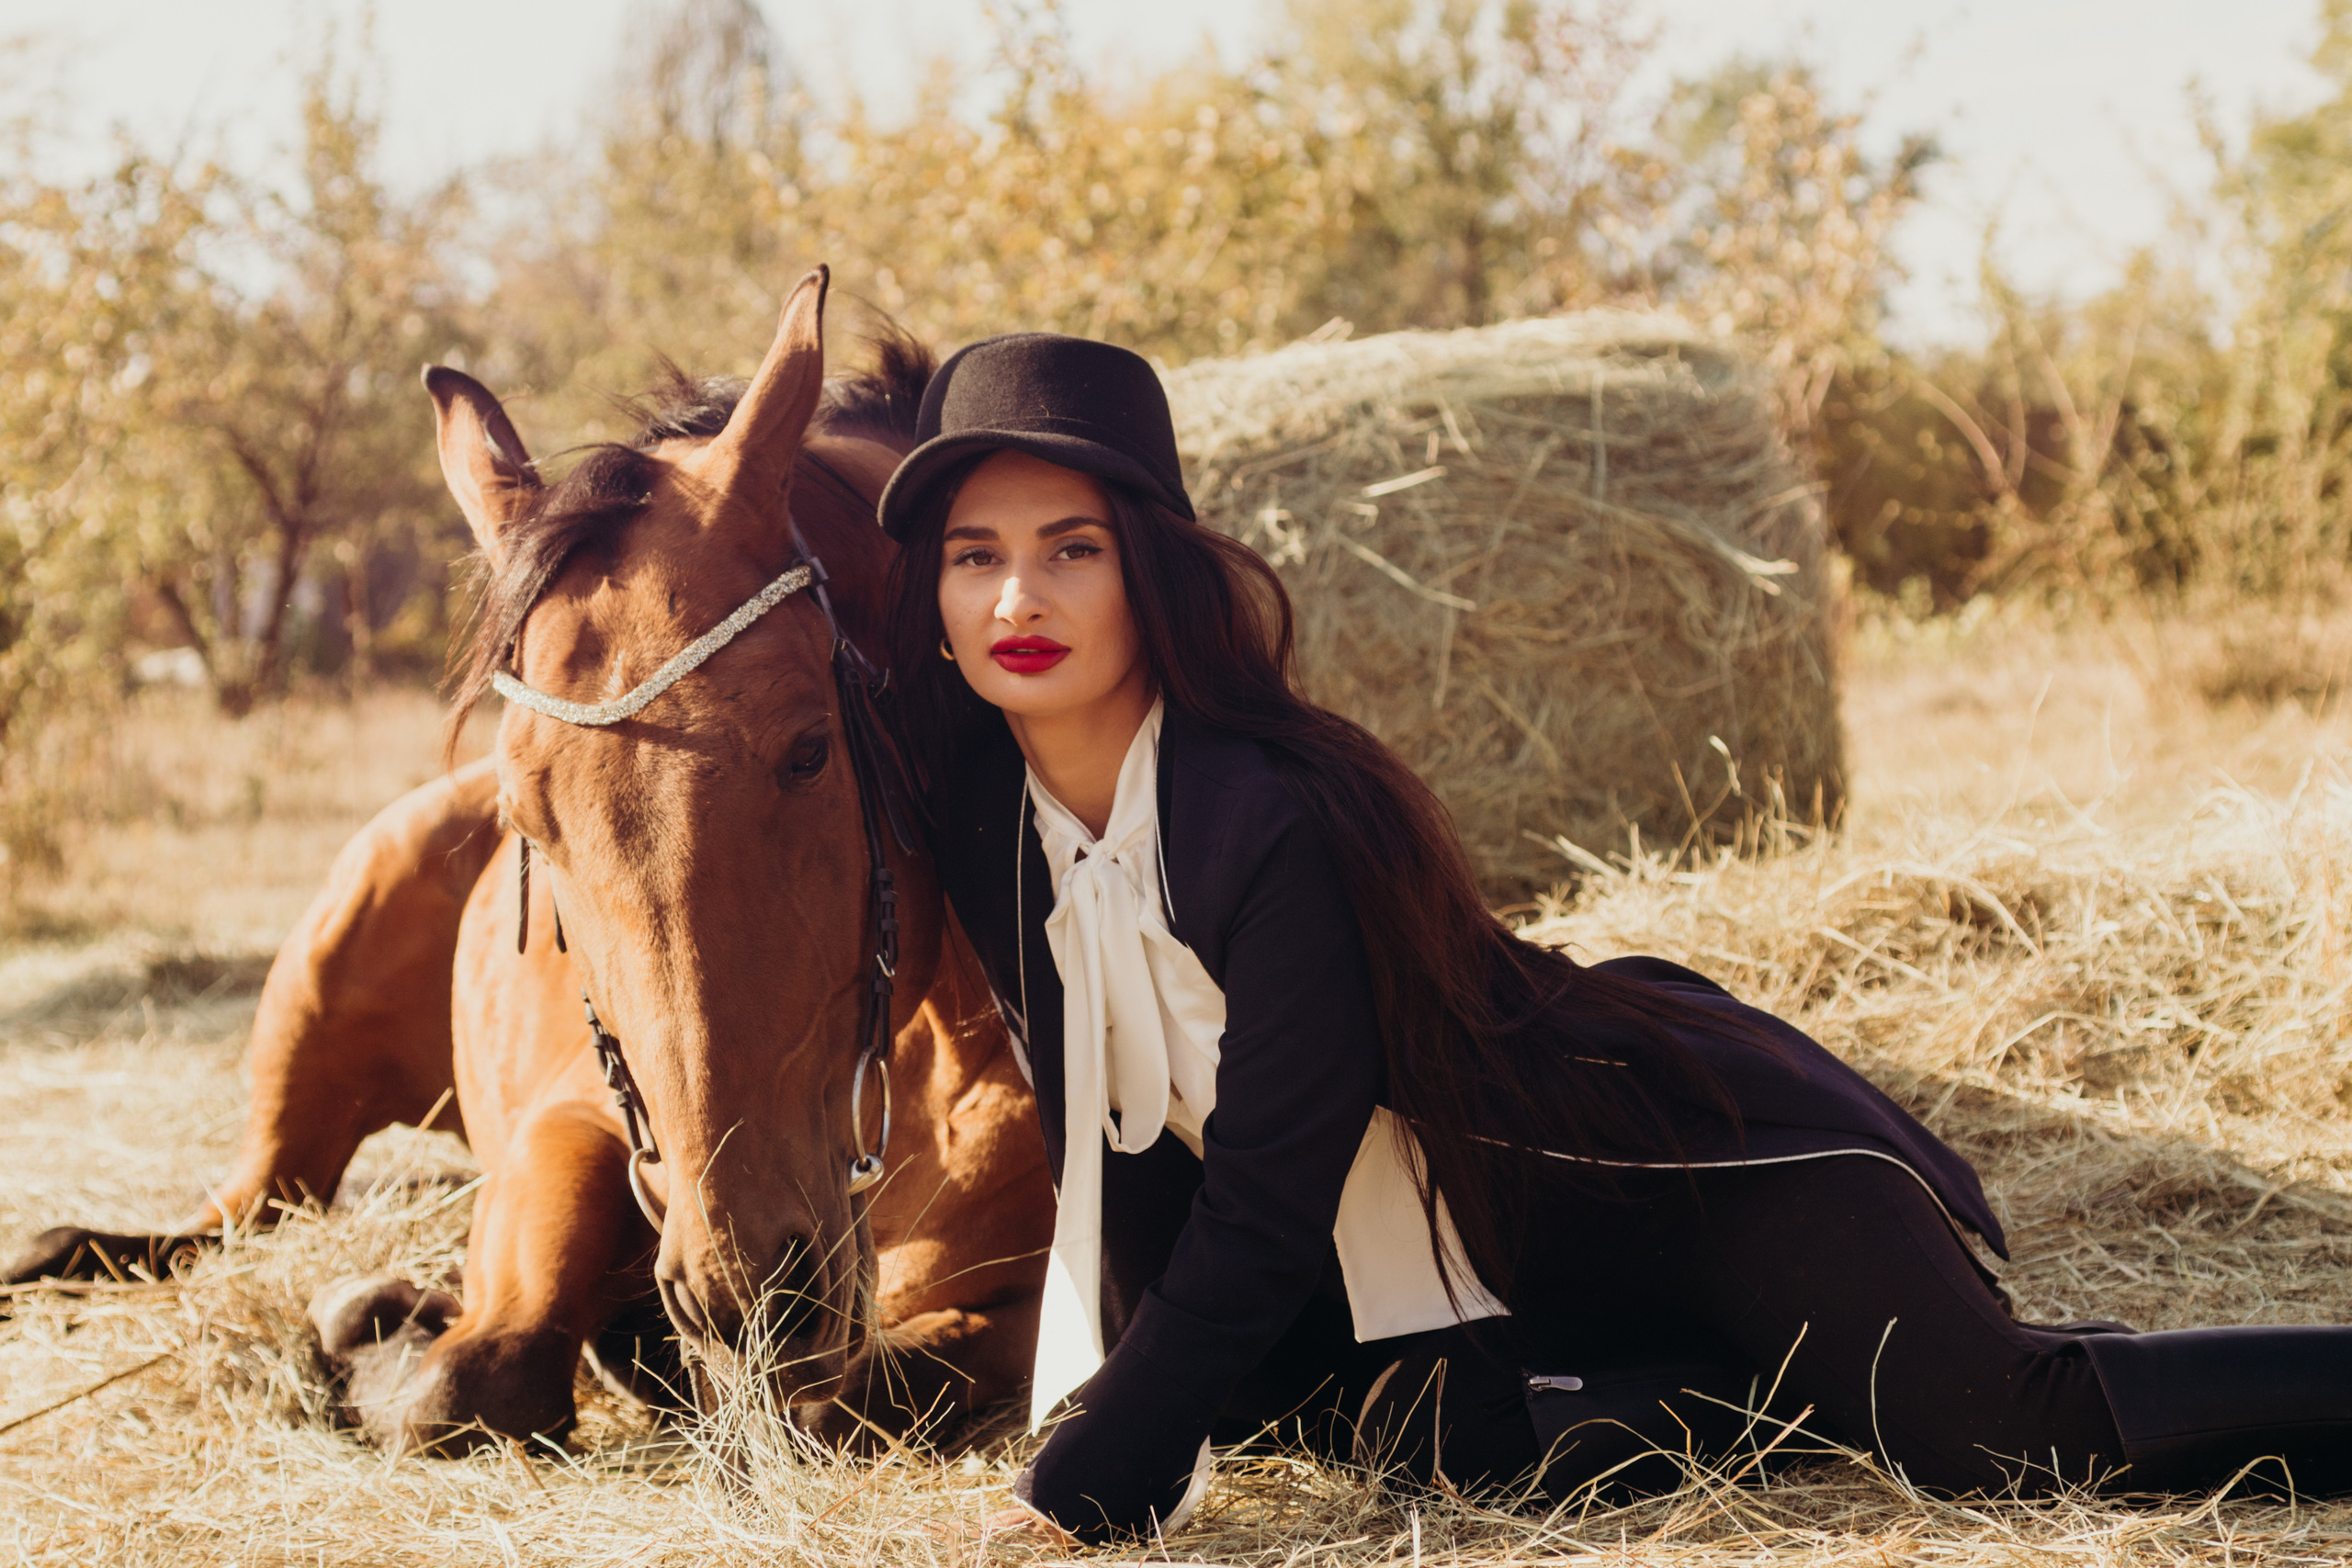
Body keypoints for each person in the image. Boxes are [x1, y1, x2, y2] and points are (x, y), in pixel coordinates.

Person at [872, 333, 2352, 1544]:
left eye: (1071, 548)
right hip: (1495, 1278)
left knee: (2004, 1433)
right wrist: (1135, 1403)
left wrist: (1082, 1491)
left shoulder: (1273, 814)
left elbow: (1263, 1200)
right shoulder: (997, 821)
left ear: (1154, 567)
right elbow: (1110, 1147)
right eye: (973, 555)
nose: (1018, 598)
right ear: (931, 599)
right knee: (1411, 1449)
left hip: (1677, 1179)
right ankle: (1720, 1392)